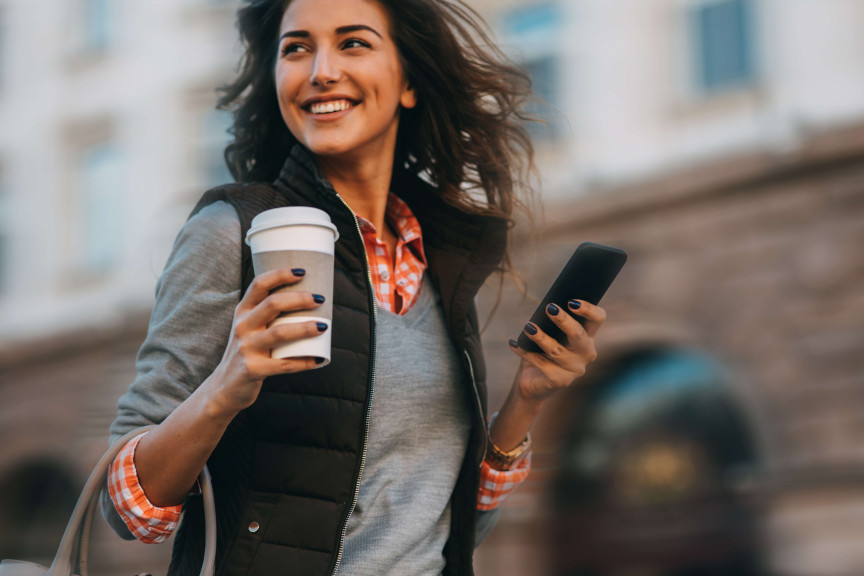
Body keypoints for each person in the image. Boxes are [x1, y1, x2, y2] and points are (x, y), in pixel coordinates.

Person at [102, 0, 605, 574]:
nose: (321, 70)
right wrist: (224, 388)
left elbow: (447, 524)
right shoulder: (230, 235)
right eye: (296, 48)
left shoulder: (434, 258)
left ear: (409, 80)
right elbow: (126, 510)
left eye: (353, 43)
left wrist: (527, 399)